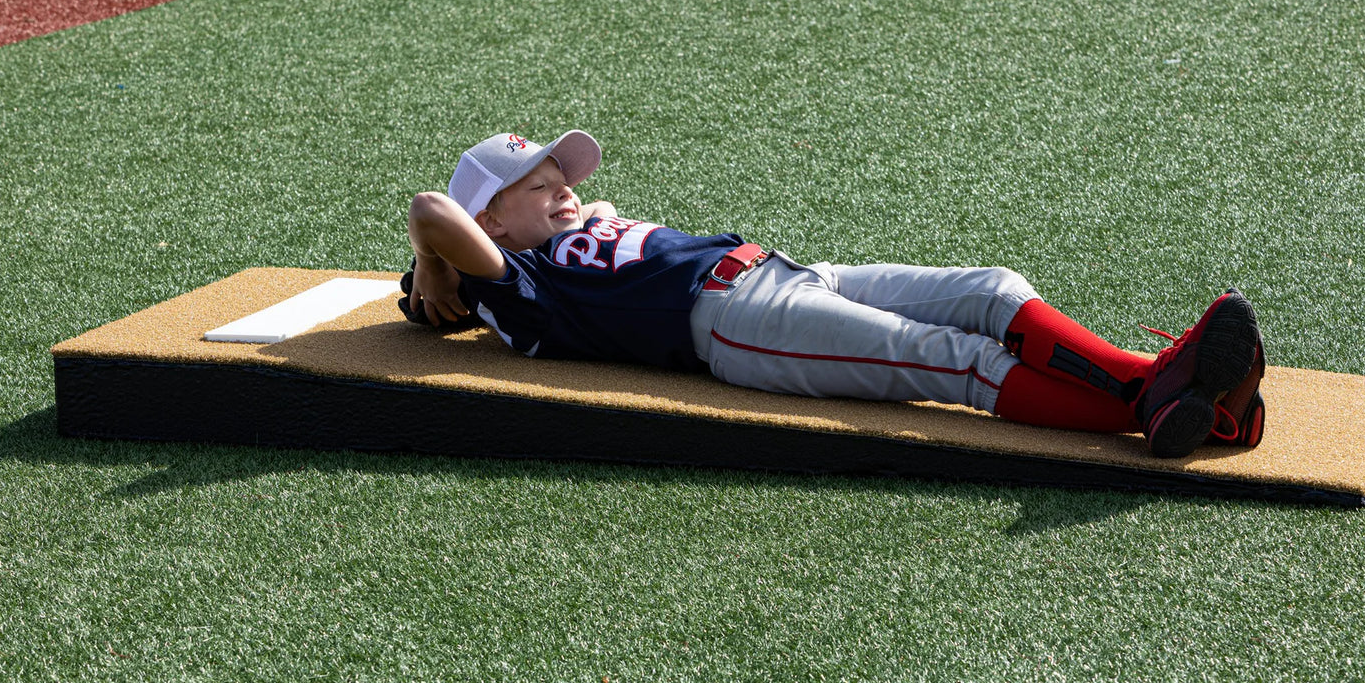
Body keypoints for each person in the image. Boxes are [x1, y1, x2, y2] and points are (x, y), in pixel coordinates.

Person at [400, 129, 1266, 459]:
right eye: (531, 184)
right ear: (491, 225)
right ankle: (1147, 399)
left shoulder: (566, 232)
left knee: (991, 291)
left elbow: (564, 209)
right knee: (955, 362)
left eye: (559, 175)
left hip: (785, 271)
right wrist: (436, 274)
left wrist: (566, 210)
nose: (558, 187)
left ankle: (1163, 387)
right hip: (735, 328)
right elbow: (431, 209)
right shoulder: (521, 287)